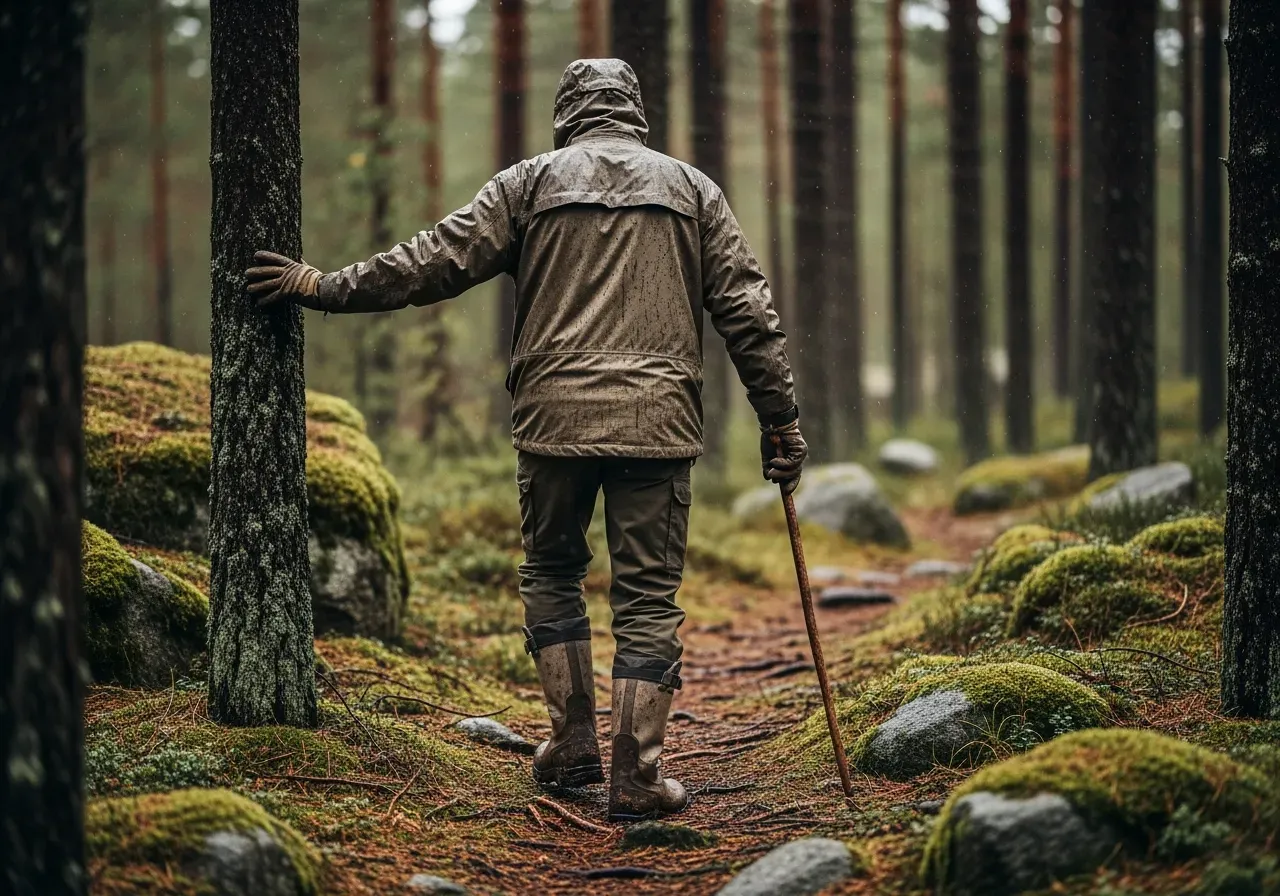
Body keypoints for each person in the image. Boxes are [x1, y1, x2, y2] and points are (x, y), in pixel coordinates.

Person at [246, 58, 806, 822]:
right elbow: (749, 312)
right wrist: (780, 420)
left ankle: (571, 745)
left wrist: (324, 286)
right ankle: (637, 778)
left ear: (567, 112)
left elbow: (432, 261)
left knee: (552, 569)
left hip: (553, 421)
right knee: (648, 597)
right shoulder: (693, 190)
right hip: (656, 422)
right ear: (635, 112)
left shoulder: (531, 183)